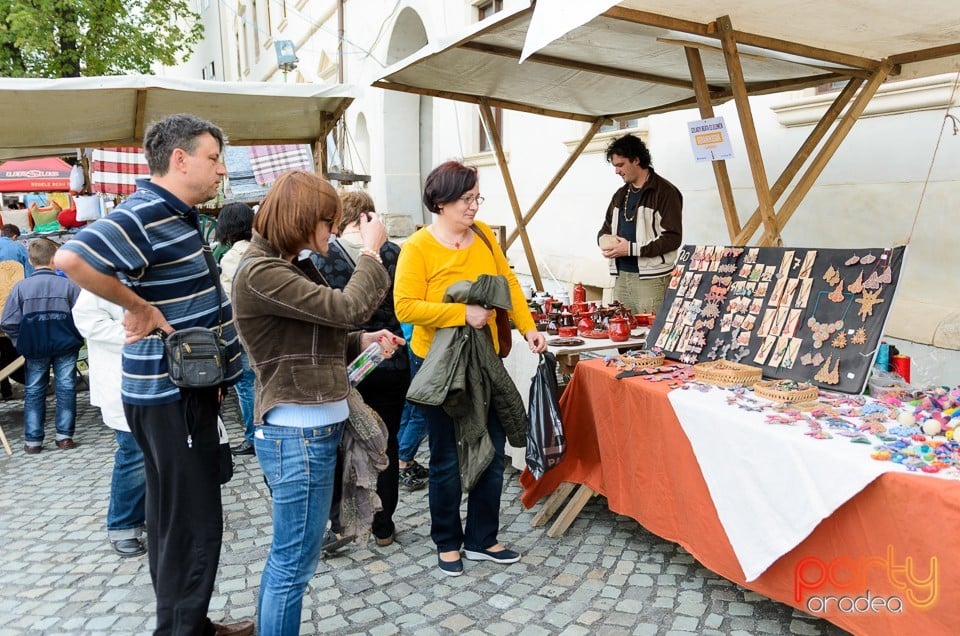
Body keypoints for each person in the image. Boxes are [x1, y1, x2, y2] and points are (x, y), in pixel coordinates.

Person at [55, 113, 253, 636]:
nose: (221, 170)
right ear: (180, 158)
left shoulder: (179, 214)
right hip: (171, 396)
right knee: (193, 524)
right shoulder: (145, 213)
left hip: (179, 394)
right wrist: (137, 306)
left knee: (171, 519)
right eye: (213, 158)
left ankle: (188, 623)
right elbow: (70, 257)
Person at [230, 170, 399, 636]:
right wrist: (371, 251)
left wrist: (364, 338)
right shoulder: (262, 271)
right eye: (328, 221)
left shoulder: (285, 265)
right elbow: (346, 307)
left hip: (310, 429)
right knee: (292, 566)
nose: (332, 229)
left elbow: (318, 334)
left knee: (292, 562)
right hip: (297, 434)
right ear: (305, 219)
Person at [393, 160, 546, 577]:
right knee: (446, 457)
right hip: (440, 367)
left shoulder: (483, 237)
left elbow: (509, 282)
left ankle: (482, 538)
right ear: (440, 202)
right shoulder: (417, 247)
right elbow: (405, 307)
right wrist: (463, 313)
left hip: (486, 362)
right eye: (466, 199)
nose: (474, 205)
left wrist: (528, 326)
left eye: (477, 197)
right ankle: (447, 540)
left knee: (492, 450)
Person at [314, 188, 416, 556]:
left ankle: (343, 525)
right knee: (385, 443)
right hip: (390, 357)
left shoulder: (324, 256)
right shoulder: (394, 252)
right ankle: (384, 525)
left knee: (340, 446)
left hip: (345, 362)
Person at [72, 290, 147, 558]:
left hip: (163, 376)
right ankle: (124, 525)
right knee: (134, 453)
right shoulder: (99, 275)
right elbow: (87, 321)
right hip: (122, 378)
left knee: (165, 453)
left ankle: (154, 514)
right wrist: (141, 330)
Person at [1, 238, 82, 453]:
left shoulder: (21, 287)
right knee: (66, 387)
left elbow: (7, 321)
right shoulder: (68, 285)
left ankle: (33, 441)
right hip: (66, 343)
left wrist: (21, 341)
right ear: (55, 259)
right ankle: (65, 436)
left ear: (29, 260)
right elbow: (84, 315)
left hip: (35, 347)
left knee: (34, 389)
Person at [597, 133, 683, 314]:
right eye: (615, 166)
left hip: (652, 279)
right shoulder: (620, 195)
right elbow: (604, 229)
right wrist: (605, 242)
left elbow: (672, 238)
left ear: (636, 160)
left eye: (620, 165)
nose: (617, 171)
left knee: (650, 336)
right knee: (623, 334)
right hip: (621, 276)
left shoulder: (666, 192)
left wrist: (630, 249)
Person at [216, 202, 257, 456]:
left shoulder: (231, 257)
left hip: (243, 334)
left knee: (247, 386)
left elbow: (230, 300)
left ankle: (254, 436)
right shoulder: (263, 251)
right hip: (266, 332)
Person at [396, 322, 429, 490]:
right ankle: (402, 461)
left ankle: (401, 459)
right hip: (416, 347)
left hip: (405, 346)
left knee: (409, 409)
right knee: (421, 411)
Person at [0, 223, 30, 399]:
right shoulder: (17, 248)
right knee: (13, 347)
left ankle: (5, 388)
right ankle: (23, 378)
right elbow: (29, 276)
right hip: (13, 311)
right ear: (14, 236)